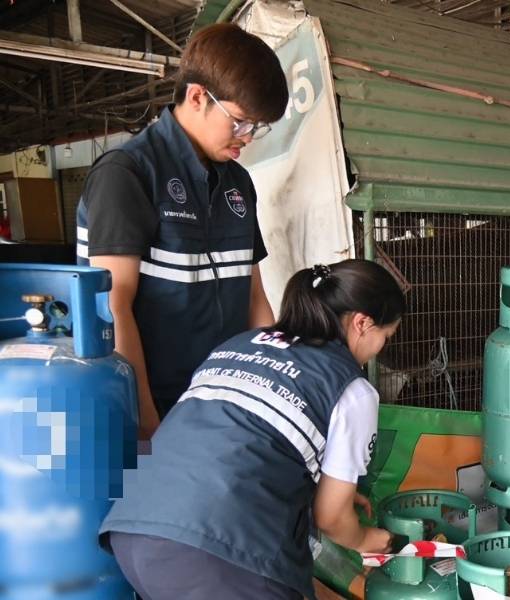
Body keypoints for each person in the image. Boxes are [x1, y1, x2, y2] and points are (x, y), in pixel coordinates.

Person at [100, 259, 406, 600]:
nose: (380, 349)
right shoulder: (352, 390)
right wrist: (366, 539)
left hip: (134, 529)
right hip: (216, 550)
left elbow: (239, 442)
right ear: (362, 323)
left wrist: (333, 491)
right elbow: (331, 518)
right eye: (386, 336)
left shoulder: (240, 344)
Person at [76, 23, 289, 439]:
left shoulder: (237, 183)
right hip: (152, 406)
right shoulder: (128, 174)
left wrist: (270, 385)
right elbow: (112, 307)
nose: (248, 138)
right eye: (240, 123)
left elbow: (253, 296)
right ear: (197, 97)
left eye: (257, 127)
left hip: (220, 403)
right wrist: (145, 422)